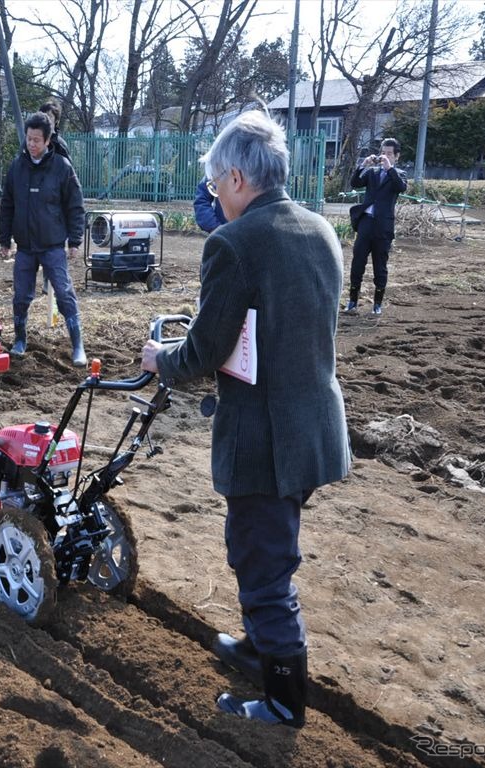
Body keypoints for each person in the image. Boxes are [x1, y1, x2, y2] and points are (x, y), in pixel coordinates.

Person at [140, 109, 351, 728]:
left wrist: (160, 358)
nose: (216, 199)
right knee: (268, 548)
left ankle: (284, 703)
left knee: (262, 564)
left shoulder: (234, 243)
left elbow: (204, 350)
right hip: (315, 430)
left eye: (213, 186)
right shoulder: (320, 229)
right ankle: (260, 645)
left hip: (266, 440)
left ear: (235, 177)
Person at [0, 112, 87, 366]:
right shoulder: (17, 167)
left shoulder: (62, 167)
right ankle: (20, 339)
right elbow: (7, 204)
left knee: (64, 292)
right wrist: (4, 239)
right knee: (21, 296)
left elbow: (75, 205)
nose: (32, 144)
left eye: (37, 140)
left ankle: (78, 345)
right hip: (25, 247)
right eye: (29, 139)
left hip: (52, 246)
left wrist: (75, 241)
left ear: (48, 140)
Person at [344, 138, 407, 316]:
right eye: (383, 153)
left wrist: (389, 169)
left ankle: (377, 304)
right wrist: (362, 165)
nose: (385, 156)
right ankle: (352, 301)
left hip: (383, 226)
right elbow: (355, 183)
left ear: (396, 156)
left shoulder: (399, 173)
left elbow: (400, 187)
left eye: (389, 153)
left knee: (380, 265)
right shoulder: (371, 173)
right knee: (357, 262)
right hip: (366, 222)